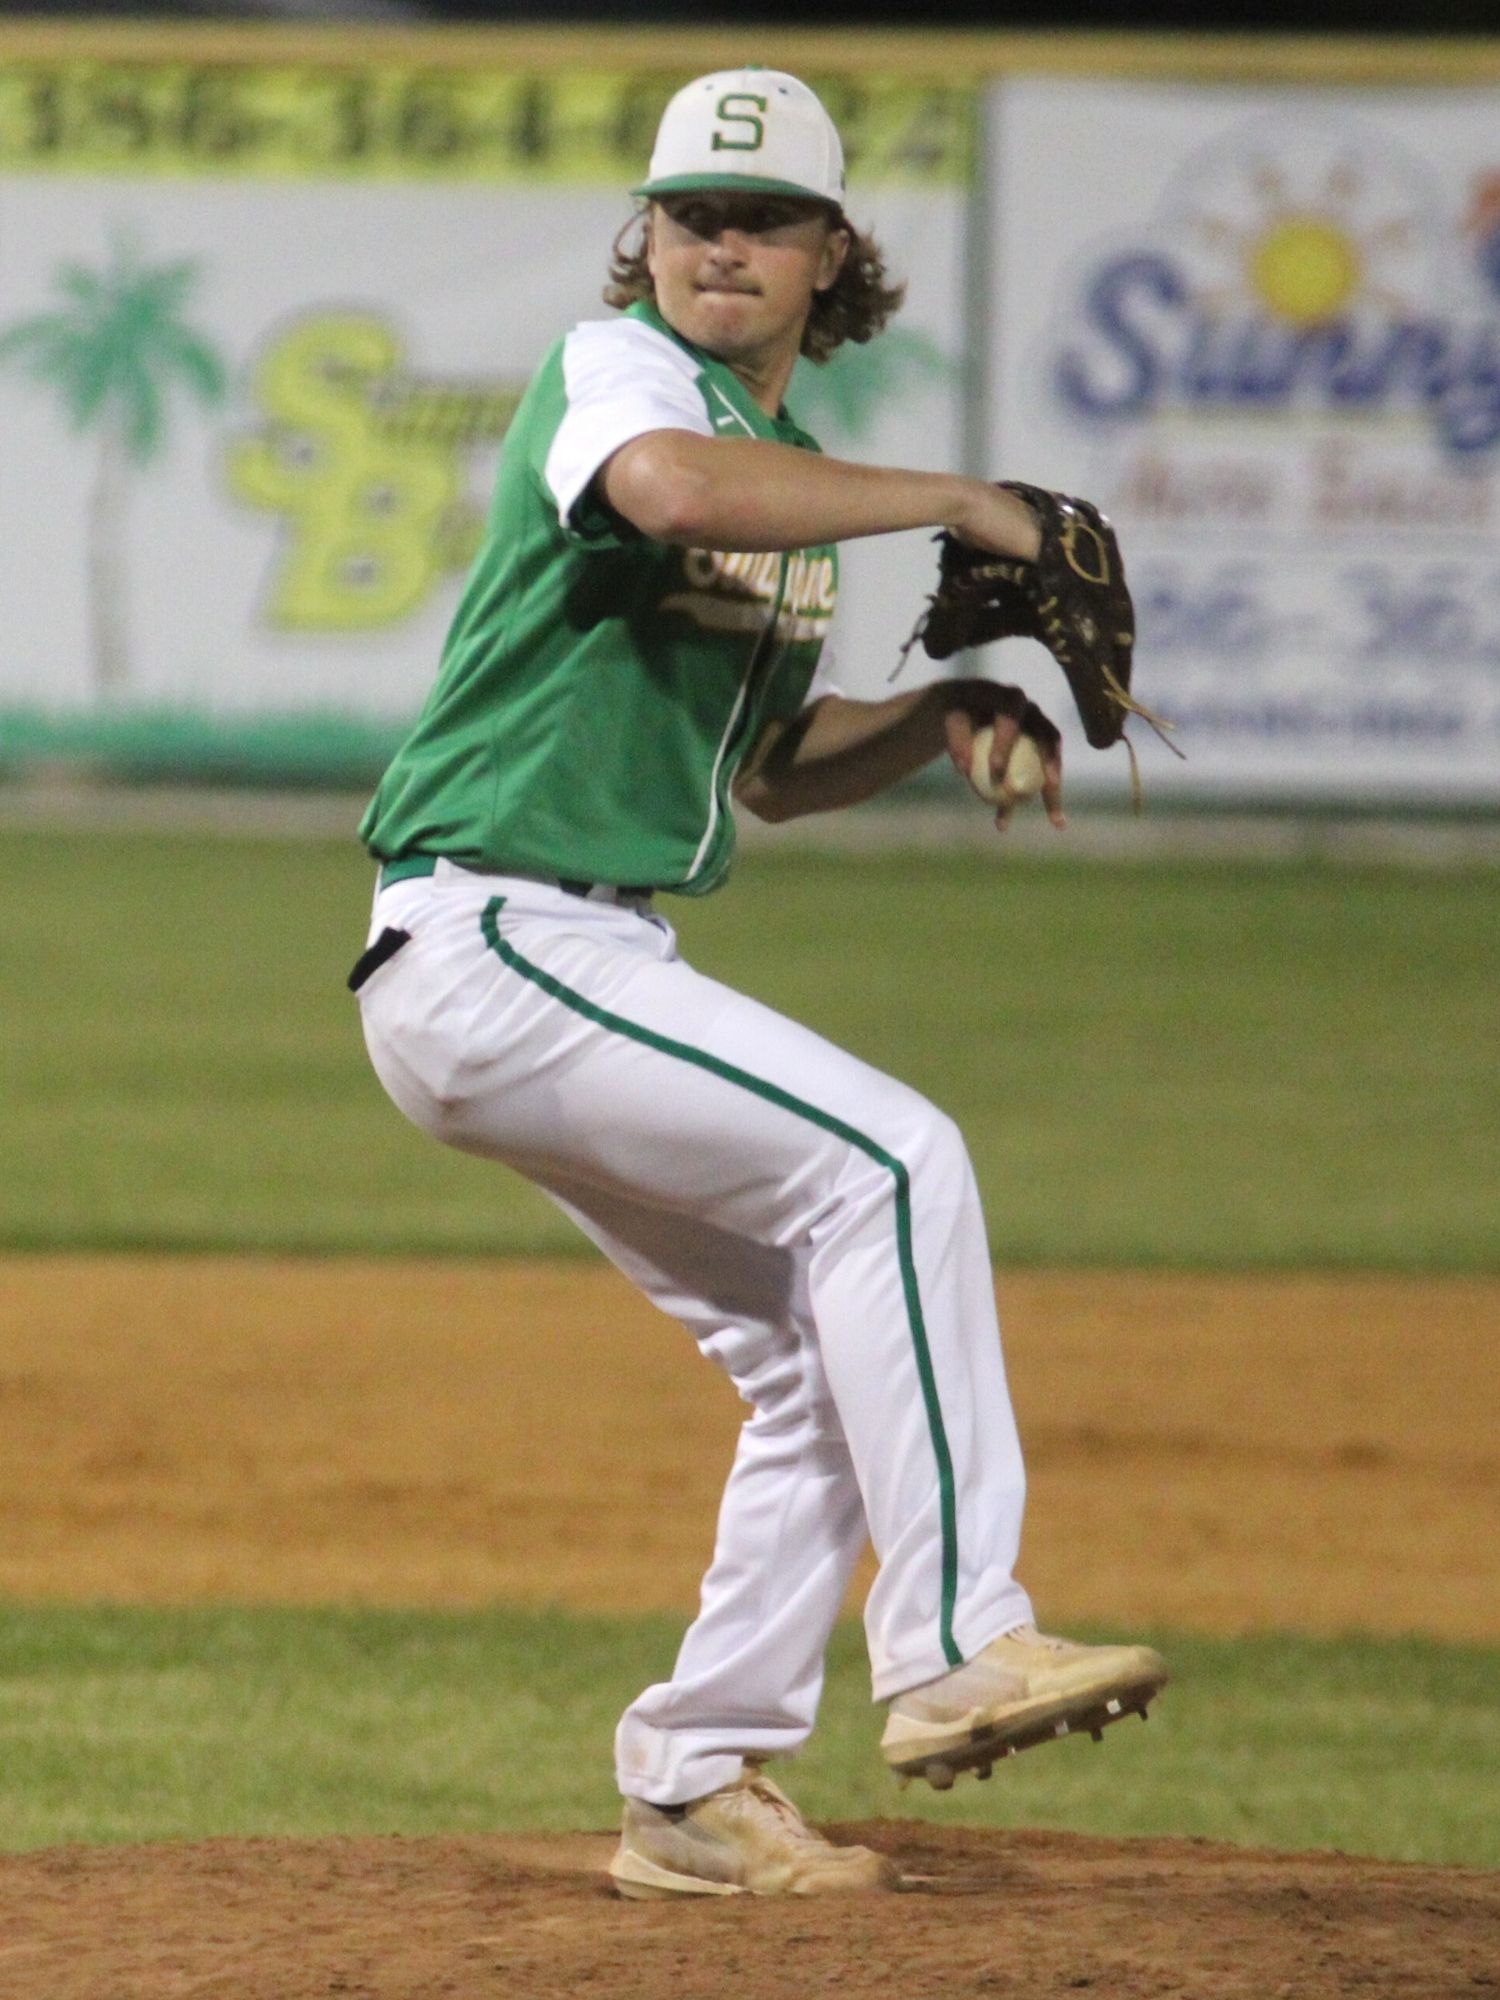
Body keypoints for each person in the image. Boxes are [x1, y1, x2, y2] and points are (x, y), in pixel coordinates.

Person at [351, 67, 1166, 1901]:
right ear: (644, 238)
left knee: (818, 1351)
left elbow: (776, 776)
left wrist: (951, 707)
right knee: (889, 1165)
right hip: (497, 935)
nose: (722, 243)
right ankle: (962, 1643)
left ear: (828, 258)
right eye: (691, 215)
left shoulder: (769, 477)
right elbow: (661, 486)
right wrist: (964, 494)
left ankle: (697, 1784)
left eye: (765, 219)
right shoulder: (624, 376)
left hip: (568, 950)